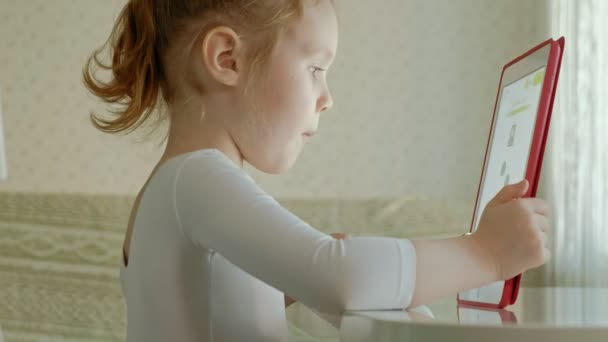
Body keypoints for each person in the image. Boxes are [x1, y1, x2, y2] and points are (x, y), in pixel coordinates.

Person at [83, 0, 551, 340]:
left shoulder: (176, 186)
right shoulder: (196, 180)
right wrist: (487, 253)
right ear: (228, 59)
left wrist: (282, 284)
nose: (327, 97)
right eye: (315, 69)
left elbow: (208, 299)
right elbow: (338, 276)